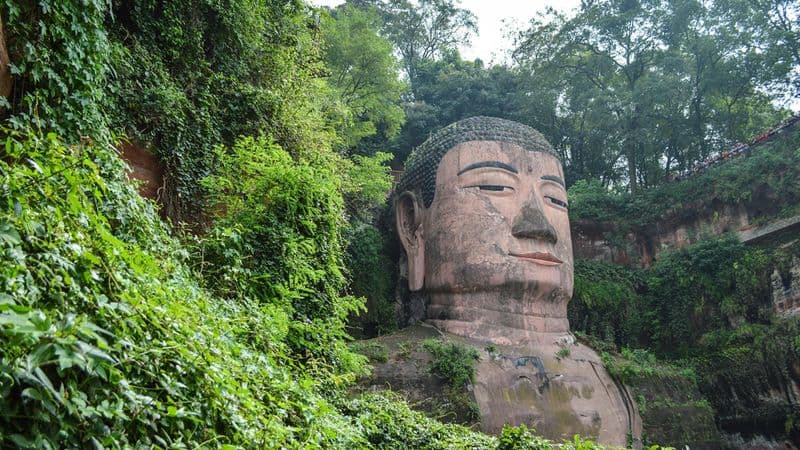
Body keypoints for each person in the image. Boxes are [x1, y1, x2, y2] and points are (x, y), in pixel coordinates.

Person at [391, 117, 640, 446]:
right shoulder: (389, 383)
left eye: (556, 200)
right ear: (412, 226)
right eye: (495, 186)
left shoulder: (641, 383)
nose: (540, 226)